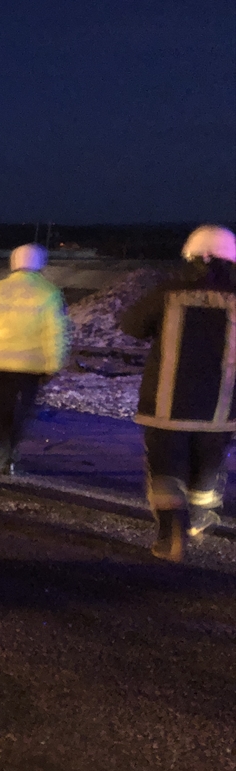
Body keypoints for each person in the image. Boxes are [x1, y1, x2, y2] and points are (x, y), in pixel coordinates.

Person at [120, 225, 236, 562]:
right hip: (221, 412)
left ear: (193, 255)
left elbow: (132, 325)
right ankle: (199, 519)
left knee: (166, 472)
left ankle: (171, 531)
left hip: (165, 408)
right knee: (207, 473)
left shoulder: (168, 292)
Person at [0, 244, 70, 476]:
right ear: (40, 263)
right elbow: (55, 332)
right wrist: (54, 364)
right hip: (31, 365)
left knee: (2, 408)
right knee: (23, 410)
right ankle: (10, 450)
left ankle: (2, 445)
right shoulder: (49, 293)